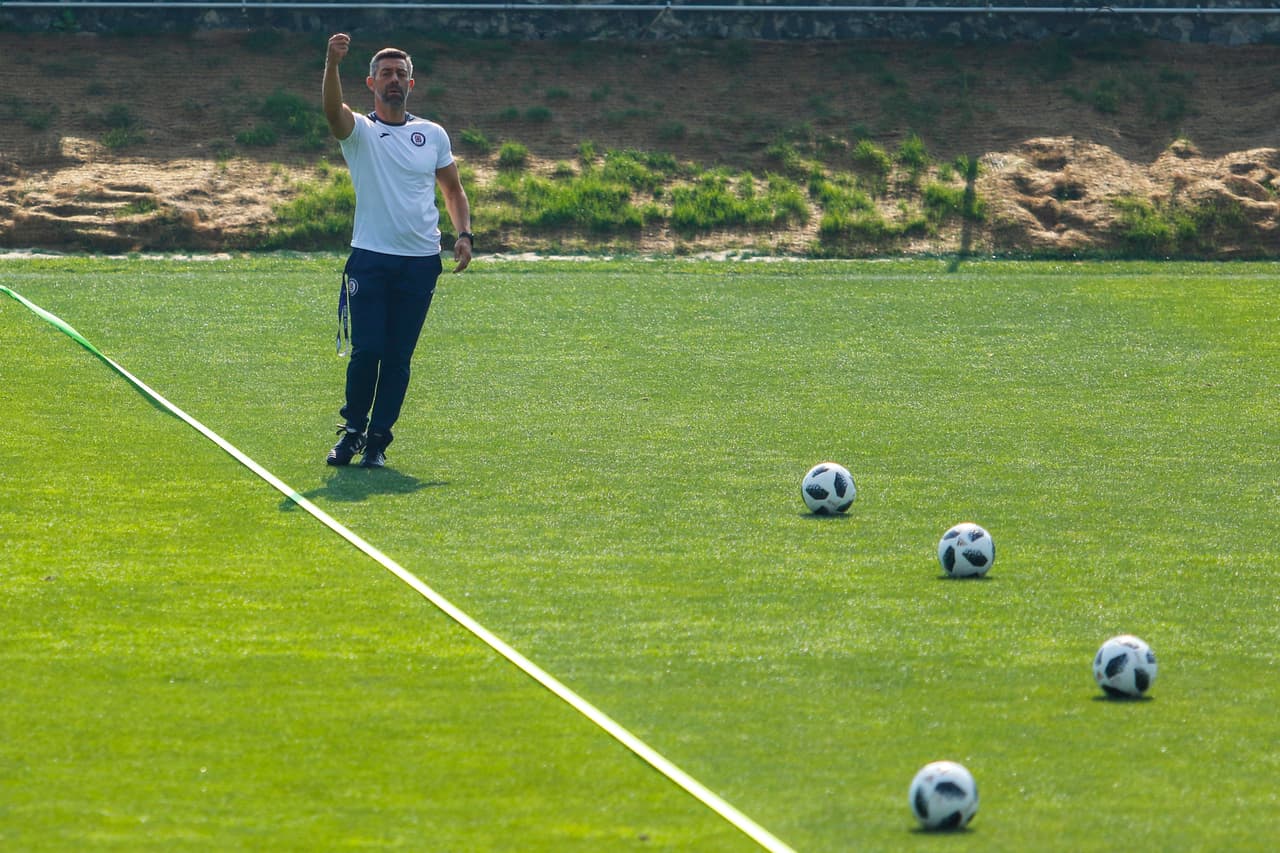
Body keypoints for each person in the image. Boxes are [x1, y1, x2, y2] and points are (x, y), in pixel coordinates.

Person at [321, 32, 472, 468]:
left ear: (411, 83)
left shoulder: (432, 134)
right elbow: (333, 112)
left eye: (400, 74)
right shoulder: (360, 132)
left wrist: (464, 234)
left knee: (398, 357)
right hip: (370, 259)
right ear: (370, 83)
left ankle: (378, 441)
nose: (393, 79)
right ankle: (351, 433)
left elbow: (453, 189)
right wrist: (332, 65)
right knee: (367, 350)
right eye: (385, 73)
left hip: (421, 264)